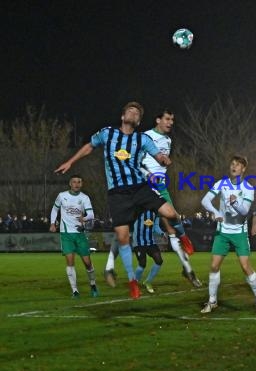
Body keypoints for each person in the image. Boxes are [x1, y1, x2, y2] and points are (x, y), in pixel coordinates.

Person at [54, 101, 184, 299]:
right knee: (123, 238)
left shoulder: (142, 139)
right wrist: (70, 162)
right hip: (117, 194)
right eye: (129, 111)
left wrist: (163, 159)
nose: (133, 113)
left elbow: (158, 156)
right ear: (123, 117)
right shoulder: (108, 133)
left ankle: (183, 238)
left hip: (140, 188)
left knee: (171, 213)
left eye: (137, 113)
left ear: (138, 121)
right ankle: (132, 281)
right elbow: (90, 146)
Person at [103, 109, 201, 288]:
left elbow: (161, 164)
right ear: (158, 120)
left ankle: (187, 264)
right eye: (167, 119)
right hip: (142, 186)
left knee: (173, 219)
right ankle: (110, 266)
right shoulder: (144, 137)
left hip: (160, 186)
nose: (170, 122)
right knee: (125, 228)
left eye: (172, 119)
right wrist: (148, 175)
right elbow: (134, 164)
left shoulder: (168, 140)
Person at [200, 155, 256, 315]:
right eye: (232, 164)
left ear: (243, 169)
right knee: (214, 266)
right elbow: (205, 201)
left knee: (245, 266)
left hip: (239, 233)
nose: (234, 167)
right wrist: (215, 212)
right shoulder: (221, 183)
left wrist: (235, 202)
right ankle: (212, 300)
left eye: (238, 165)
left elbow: (245, 212)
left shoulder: (248, 188)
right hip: (222, 232)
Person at [49, 174, 98, 298]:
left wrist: (85, 218)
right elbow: (55, 209)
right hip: (66, 234)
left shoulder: (84, 198)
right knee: (70, 261)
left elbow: (91, 214)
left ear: (81, 184)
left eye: (79, 182)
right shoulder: (62, 196)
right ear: (70, 184)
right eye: (74, 182)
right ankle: (75, 290)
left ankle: (93, 284)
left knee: (87, 263)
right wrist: (52, 223)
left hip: (80, 233)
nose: (77, 184)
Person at [132, 209, 164, 294]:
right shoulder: (137, 208)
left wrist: (162, 233)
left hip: (150, 242)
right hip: (138, 242)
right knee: (142, 264)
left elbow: (156, 226)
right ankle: (134, 285)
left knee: (159, 260)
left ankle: (148, 282)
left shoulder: (155, 211)